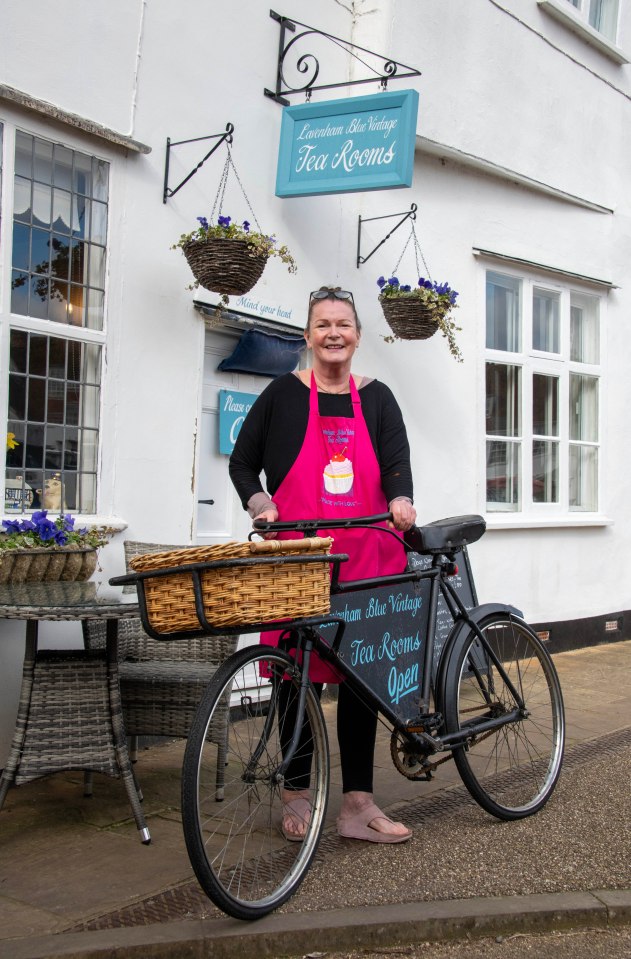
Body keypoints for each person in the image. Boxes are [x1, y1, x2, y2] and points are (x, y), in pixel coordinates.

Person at [229, 286, 417, 843]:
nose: (334, 333)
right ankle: (296, 792)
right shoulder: (282, 395)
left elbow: (397, 464)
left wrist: (402, 500)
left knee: (362, 680)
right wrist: (261, 503)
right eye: (322, 324)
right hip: (299, 558)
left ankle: (358, 804)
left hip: (367, 557)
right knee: (295, 678)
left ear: (357, 336)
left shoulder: (378, 398)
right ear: (308, 335)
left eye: (344, 324)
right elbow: (244, 463)